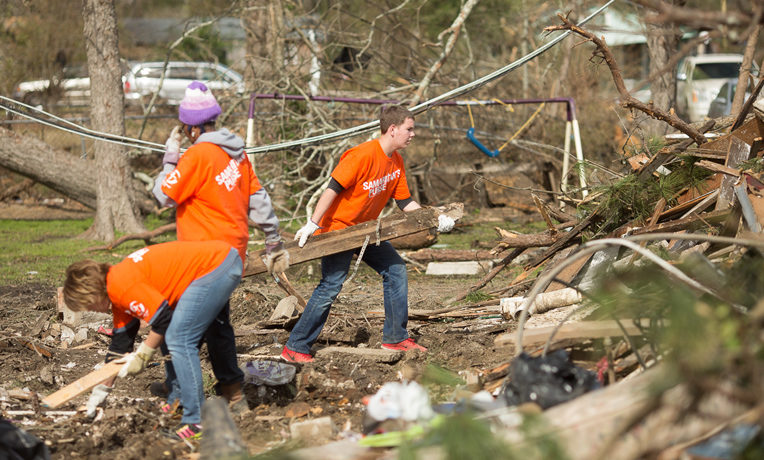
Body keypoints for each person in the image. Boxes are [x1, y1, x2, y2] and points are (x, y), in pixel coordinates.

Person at [151, 81, 288, 410]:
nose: (184, 135)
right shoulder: (237, 154)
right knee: (216, 322)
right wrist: (273, 240)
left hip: (200, 259)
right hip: (231, 256)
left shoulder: (197, 155)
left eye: (184, 131)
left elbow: (163, 195)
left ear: (192, 127)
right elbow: (259, 200)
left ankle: (182, 394)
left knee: (176, 327)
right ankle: (230, 392)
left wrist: (170, 159)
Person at [282, 105, 455, 363]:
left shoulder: (396, 162)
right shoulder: (361, 155)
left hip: (366, 230)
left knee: (395, 269)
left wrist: (434, 218)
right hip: (339, 230)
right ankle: (295, 347)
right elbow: (331, 189)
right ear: (393, 129)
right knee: (331, 285)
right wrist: (312, 223)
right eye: (409, 129)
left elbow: (405, 202)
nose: (413, 134)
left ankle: (395, 338)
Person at [63, 240, 243, 441]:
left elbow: (164, 320)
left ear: (92, 292)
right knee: (169, 334)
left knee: (178, 339)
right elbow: (120, 345)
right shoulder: (115, 288)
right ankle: (179, 400)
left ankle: (196, 421)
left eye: (86, 304)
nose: (89, 310)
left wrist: (144, 353)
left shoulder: (121, 286)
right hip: (217, 263)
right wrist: (103, 388)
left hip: (216, 266)